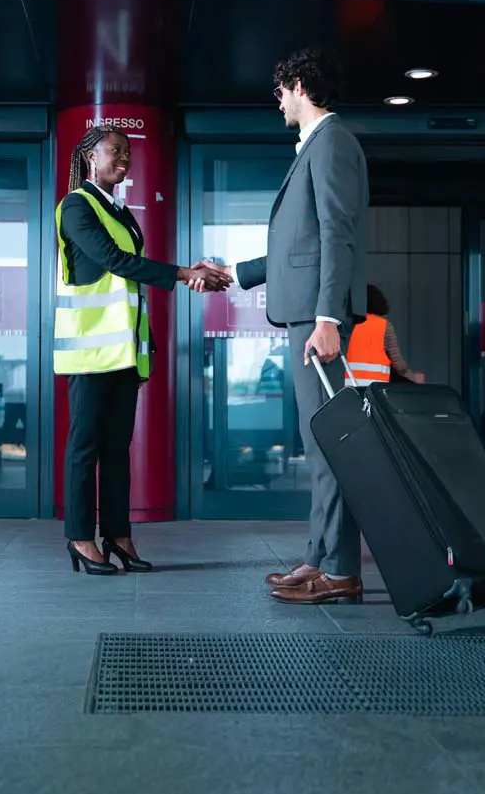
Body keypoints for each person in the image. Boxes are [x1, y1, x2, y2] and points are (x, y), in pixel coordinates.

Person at [195, 46, 368, 604]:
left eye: (279, 94)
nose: (278, 105)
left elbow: (337, 233)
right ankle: (321, 556)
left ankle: (339, 570)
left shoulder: (332, 141)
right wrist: (236, 273)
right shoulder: (318, 144)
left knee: (330, 445)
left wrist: (326, 318)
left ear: (297, 85)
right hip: (303, 314)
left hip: (315, 320)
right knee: (319, 441)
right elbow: (302, 244)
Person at [57, 124, 230, 576]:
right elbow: (114, 261)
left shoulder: (122, 210)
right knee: (85, 446)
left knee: (117, 448)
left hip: (126, 350)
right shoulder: (76, 206)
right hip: (93, 351)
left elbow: (128, 278)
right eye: (115, 151)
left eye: (128, 154)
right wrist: (183, 273)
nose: (124, 160)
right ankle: (79, 536)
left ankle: (117, 535)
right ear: (91, 156)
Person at [351, 284, 426, 387]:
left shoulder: (344, 325)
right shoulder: (384, 326)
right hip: (376, 390)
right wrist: (413, 377)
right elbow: (399, 365)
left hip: (347, 388)